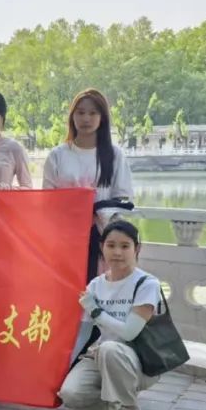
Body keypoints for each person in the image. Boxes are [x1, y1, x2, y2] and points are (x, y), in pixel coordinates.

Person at [59, 220, 161, 410]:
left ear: (137, 248)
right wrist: (64, 366)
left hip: (139, 359)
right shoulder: (95, 285)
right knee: (71, 395)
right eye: (111, 245)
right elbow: (84, 332)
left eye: (125, 246)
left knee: (110, 349)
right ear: (102, 247)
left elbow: (129, 333)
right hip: (100, 354)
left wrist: (96, 311)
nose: (117, 252)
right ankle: (115, 408)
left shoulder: (146, 284)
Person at [44, 88, 135, 281]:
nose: (86, 118)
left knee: (99, 288)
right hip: (65, 236)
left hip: (102, 235)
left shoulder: (114, 155)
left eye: (93, 113)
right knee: (66, 286)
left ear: (102, 118)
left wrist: (97, 211)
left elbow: (123, 198)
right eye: (81, 112)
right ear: (72, 116)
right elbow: (47, 200)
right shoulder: (57, 155)